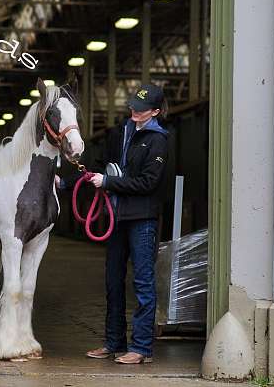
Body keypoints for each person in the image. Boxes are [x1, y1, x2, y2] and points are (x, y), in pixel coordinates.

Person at [57, 83, 169, 364]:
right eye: (133, 104)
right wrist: (65, 183)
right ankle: (114, 341)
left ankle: (142, 348)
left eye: (141, 109)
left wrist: (109, 182)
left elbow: (148, 182)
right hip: (116, 217)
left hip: (141, 219)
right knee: (112, 282)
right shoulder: (120, 132)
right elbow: (98, 166)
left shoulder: (158, 140)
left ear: (154, 112)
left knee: (143, 282)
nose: (134, 109)